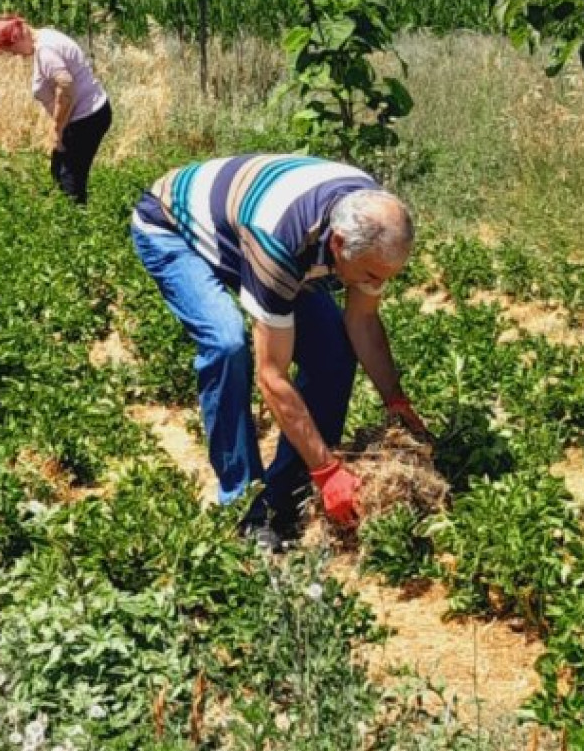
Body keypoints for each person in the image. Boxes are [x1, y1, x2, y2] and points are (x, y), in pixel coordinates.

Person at [130, 150, 429, 541]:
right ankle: (245, 507)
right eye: (372, 275)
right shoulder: (280, 243)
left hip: (248, 226)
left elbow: (363, 321)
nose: (377, 284)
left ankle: (288, 498)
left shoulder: (374, 221)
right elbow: (271, 375)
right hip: (173, 225)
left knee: (334, 354)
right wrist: (327, 469)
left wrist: (395, 400)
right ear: (338, 244)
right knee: (227, 344)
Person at [0, 14, 112, 204]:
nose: (15, 55)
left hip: (86, 118)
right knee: (60, 172)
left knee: (69, 181)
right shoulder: (44, 37)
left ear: (17, 37)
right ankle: (70, 215)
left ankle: (76, 220)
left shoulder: (46, 51)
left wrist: (57, 128)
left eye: (11, 50)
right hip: (86, 115)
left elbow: (66, 87)